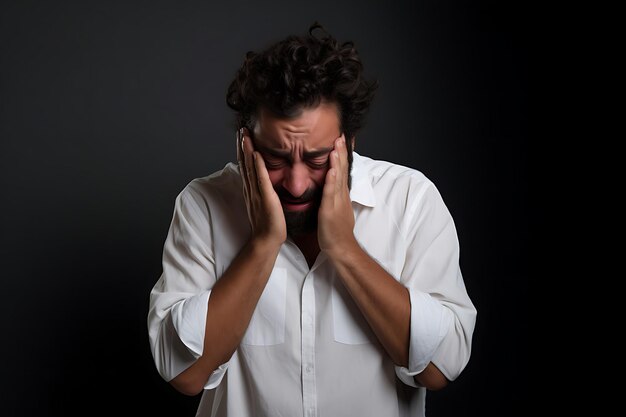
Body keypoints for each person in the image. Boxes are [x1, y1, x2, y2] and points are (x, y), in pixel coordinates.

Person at [147, 22, 477, 417]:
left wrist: (346, 250)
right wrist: (263, 244)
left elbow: (441, 368)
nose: (298, 183)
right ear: (244, 142)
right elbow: (185, 373)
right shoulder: (202, 205)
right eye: (275, 158)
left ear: (349, 143)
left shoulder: (411, 200)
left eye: (318, 159)